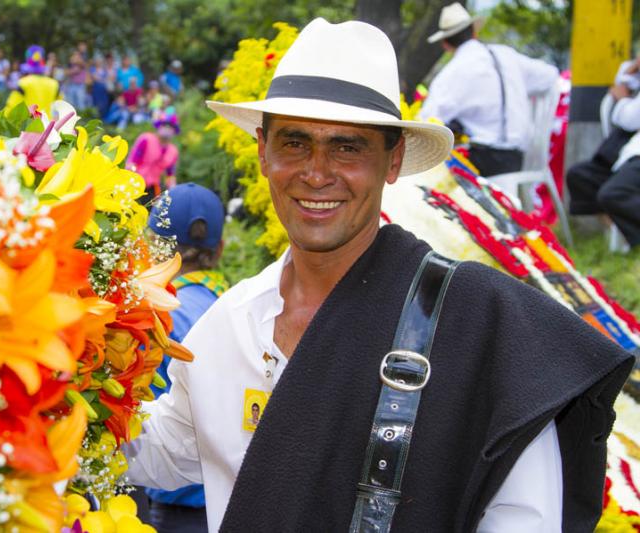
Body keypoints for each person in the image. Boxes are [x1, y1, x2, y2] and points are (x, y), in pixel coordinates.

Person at [125, 18, 632, 532]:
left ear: (393, 161)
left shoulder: (480, 333)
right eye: (295, 143)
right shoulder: (227, 326)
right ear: (262, 151)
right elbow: (167, 450)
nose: (317, 172)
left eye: (348, 147)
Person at [143, 183, 228, 533]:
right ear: (220, 249)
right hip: (226, 499)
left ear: (153, 250)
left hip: (174, 502)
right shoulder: (234, 308)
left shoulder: (159, 317)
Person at [419, 3, 559, 176]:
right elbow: (550, 75)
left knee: (429, 169)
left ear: (445, 44)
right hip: (517, 157)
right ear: (474, 33)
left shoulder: (453, 72)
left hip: (483, 161)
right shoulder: (507, 55)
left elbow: (427, 123)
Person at [567, 54, 640, 249]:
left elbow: (629, 118)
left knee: (614, 193)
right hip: (624, 153)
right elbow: (622, 81)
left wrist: (623, 98)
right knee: (581, 176)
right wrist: (633, 68)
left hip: (635, 154)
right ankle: (620, 239)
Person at [127, 112, 180, 204]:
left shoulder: (173, 151)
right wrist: (130, 180)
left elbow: (170, 174)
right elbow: (133, 161)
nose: (167, 129)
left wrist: (174, 190)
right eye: (165, 125)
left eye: (170, 126)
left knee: (150, 212)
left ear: (174, 130)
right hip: (134, 181)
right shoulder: (146, 139)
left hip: (152, 187)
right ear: (159, 126)